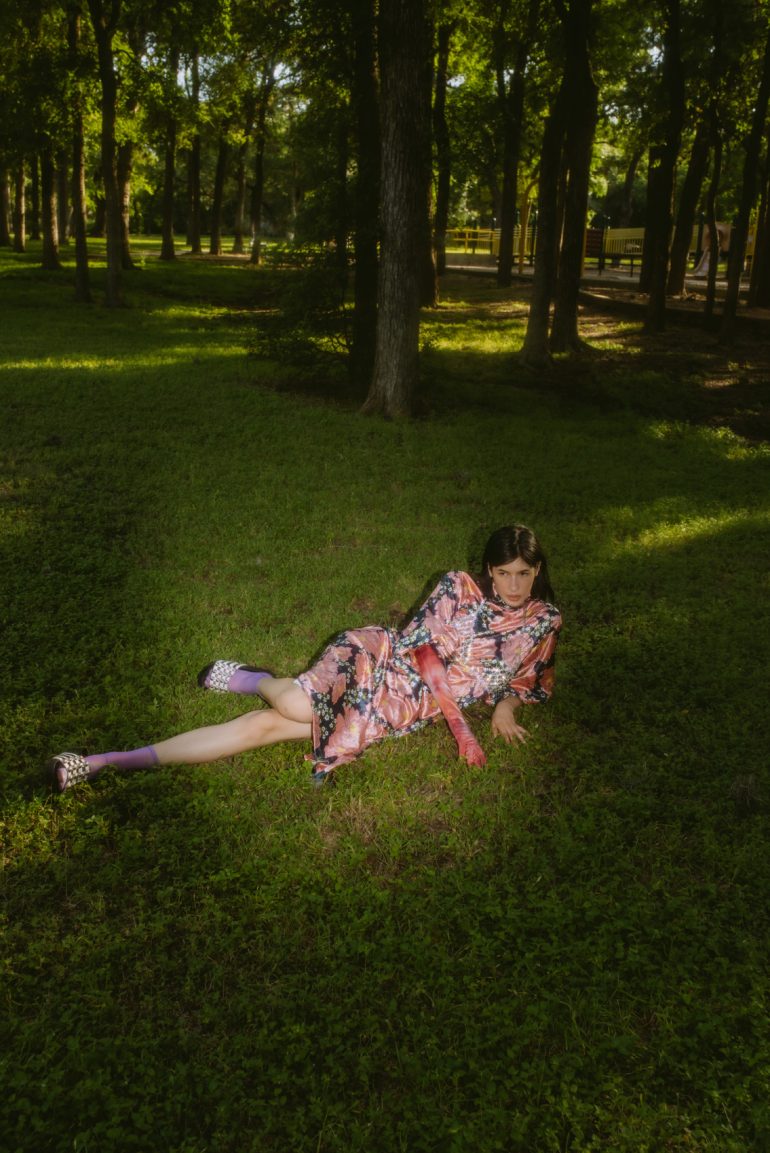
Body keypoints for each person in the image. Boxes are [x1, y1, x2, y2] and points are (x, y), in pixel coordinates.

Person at [50, 524, 562, 791]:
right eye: (504, 573)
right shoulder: (458, 588)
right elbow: (423, 654)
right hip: (380, 664)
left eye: (524, 573)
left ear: (537, 571)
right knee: (296, 705)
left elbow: (529, 681)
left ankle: (104, 763)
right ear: (489, 570)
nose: (514, 585)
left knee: (263, 727)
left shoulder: (544, 622)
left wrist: (505, 708)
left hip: (397, 710)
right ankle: (256, 680)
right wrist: (463, 731)